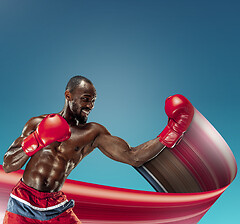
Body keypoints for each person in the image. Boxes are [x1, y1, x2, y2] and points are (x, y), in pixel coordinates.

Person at [2, 75, 194, 223]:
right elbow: (9, 165)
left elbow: (133, 157)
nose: (90, 106)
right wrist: (36, 139)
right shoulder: (37, 123)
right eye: (86, 99)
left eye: (93, 101)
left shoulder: (92, 133)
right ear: (68, 95)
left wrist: (172, 131)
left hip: (55, 206)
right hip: (22, 202)